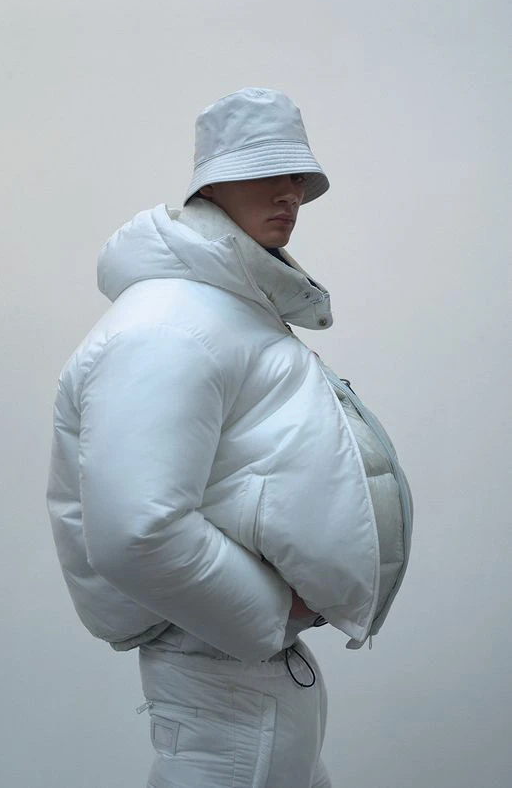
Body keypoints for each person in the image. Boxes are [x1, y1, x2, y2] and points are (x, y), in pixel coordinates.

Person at [46, 87, 413, 788]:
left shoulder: (222, 309)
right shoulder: (167, 324)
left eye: (297, 176)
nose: (288, 193)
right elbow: (136, 530)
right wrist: (272, 613)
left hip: (251, 686)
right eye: (263, 172)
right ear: (209, 186)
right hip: (226, 692)